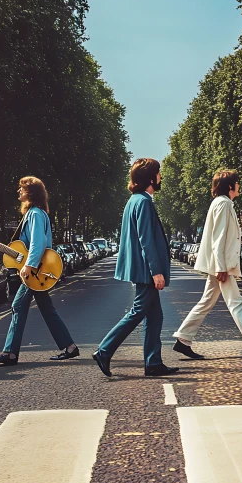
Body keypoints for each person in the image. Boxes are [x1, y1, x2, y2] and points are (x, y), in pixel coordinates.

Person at [172, 169, 242, 359]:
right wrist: (221, 267)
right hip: (221, 265)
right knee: (236, 303)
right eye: (237, 182)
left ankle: (183, 339)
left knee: (206, 302)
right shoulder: (223, 204)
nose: (239, 185)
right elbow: (218, 239)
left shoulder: (222, 203)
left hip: (220, 263)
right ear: (230, 186)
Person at [93, 158, 177, 378]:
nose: (160, 177)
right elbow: (146, 239)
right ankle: (104, 350)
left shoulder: (135, 200)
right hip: (145, 270)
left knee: (155, 316)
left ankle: (153, 362)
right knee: (138, 311)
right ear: (150, 177)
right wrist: (156, 271)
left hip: (141, 268)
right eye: (158, 173)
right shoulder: (143, 202)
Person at [0, 176, 79, 365]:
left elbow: (39, 243)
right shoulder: (35, 213)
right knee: (46, 309)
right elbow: (22, 250)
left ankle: (10, 353)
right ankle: (69, 347)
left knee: (18, 306)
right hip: (38, 271)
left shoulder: (35, 213)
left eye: (22, 188)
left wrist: (29, 266)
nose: (19, 191)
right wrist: (0, 246)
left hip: (36, 271)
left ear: (31, 193)